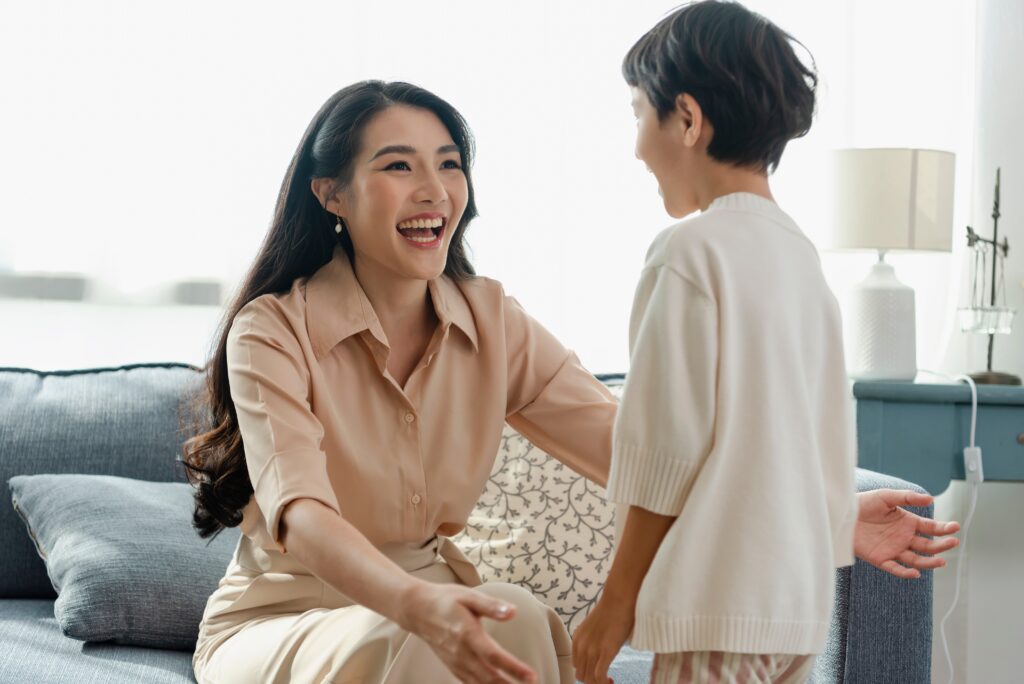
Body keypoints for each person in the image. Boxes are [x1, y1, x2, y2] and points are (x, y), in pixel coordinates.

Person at [183, 79, 959, 684]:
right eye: (398, 166)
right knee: (430, 639)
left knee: (511, 616)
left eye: (449, 164)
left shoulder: (493, 323)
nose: (434, 190)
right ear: (331, 195)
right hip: (289, 619)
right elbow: (304, 518)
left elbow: (640, 451)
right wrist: (421, 606)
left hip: (439, 609)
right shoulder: (273, 331)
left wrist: (825, 513)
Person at [570, 3, 960, 684]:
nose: (636, 146)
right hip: (795, 614)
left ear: (687, 119)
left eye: (639, 114)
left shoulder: (688, 254)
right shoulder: (801, 260)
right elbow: (822, 447)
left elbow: (664, 453)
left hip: (715, 607)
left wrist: (614, 607)